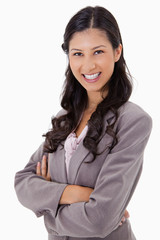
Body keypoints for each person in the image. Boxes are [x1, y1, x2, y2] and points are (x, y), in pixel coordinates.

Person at [14, 6, 152, 240]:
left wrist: (49, 209)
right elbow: (23, 183)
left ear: (117, 52)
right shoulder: (64, 118)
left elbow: (99, 221)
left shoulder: (133, 121)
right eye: (78, 53)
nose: (88, 66)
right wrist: (76, 193)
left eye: (98, 52)